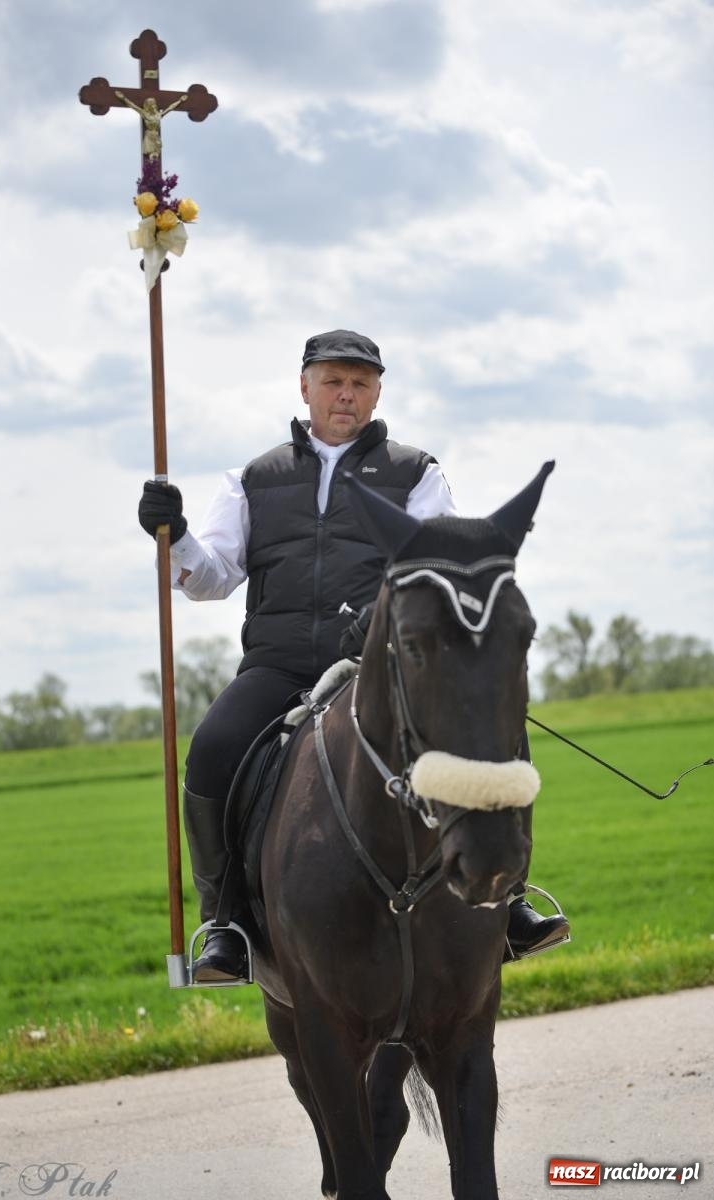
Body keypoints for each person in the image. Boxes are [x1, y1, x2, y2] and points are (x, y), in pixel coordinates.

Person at [139, 330, 569, 982]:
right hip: (278, 665)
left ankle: (507, 900)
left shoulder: (414, 472)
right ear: (304, 385)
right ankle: (225, 923)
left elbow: (437, 566)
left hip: (381, 669)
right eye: (333, 380)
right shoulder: (251, 479)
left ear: (376, 392)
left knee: (484, 729)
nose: (346, 394)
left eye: (360, 383)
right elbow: (211, 578)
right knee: (213, 747)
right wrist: (172, 535)